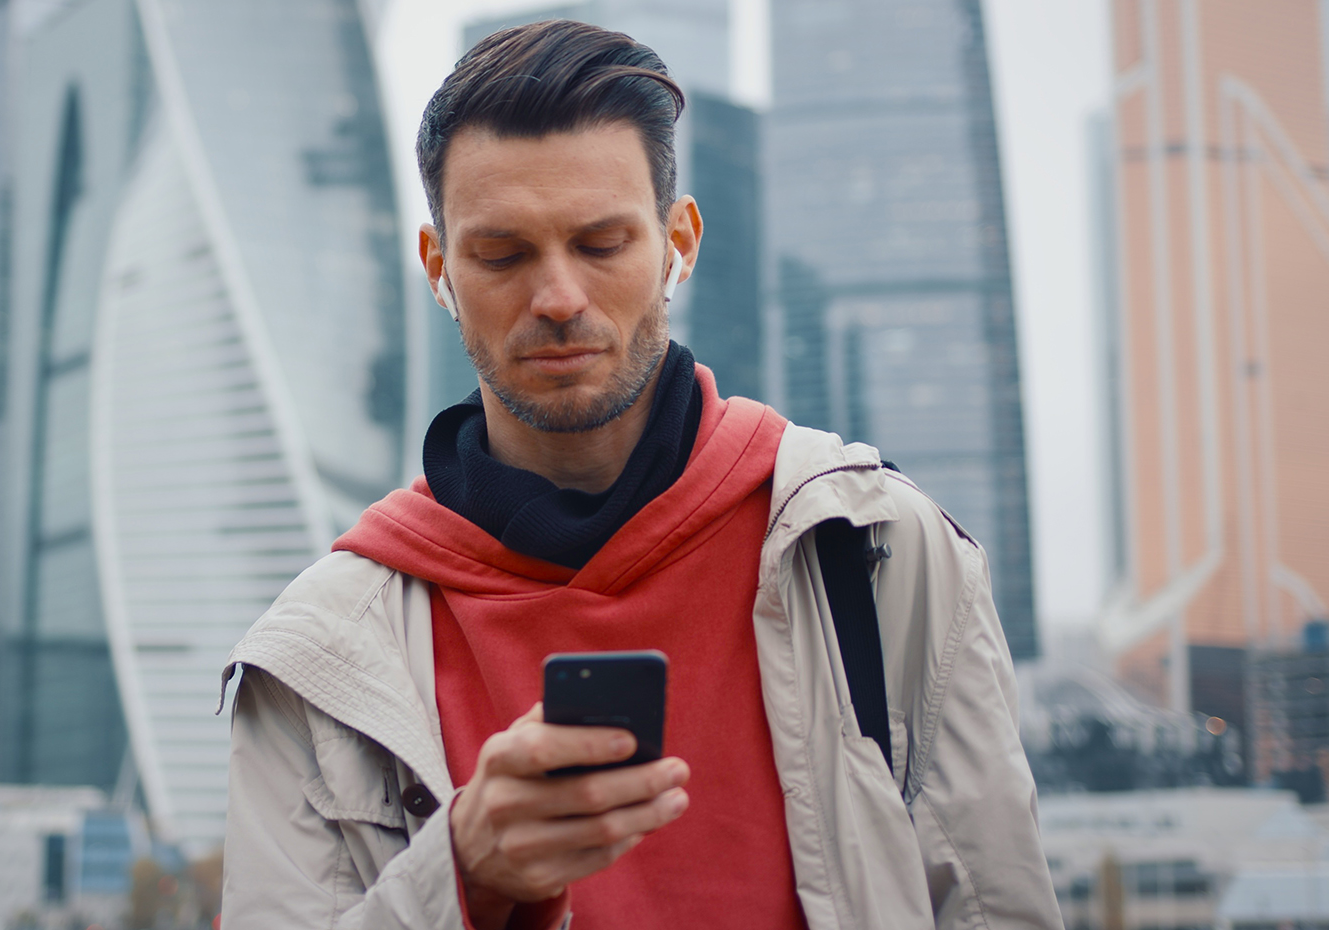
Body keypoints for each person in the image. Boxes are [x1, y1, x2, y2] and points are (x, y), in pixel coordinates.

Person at [216, 19, 1060, 930]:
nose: (558, 298)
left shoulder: (882, 553)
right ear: (438, 270)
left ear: (678, 243)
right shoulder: (314, 656)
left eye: (602, 243)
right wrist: (461, 877)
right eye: (501, 255)